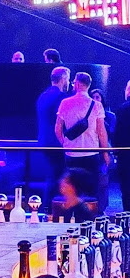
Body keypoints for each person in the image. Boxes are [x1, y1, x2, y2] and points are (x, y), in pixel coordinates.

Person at [55, 72, 110, 201]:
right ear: (88, 85)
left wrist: (65, 144)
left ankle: (73, 213)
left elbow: (57, 129)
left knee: (73, 191)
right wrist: (105, 153)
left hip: (71, 153)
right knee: (92, 191)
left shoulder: (65, 103)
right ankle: (91, 212)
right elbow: (101, 131)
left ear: (78, 84)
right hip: (91, 153)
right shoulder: (96, 105)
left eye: (74, 82)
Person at [37, 66, 71, 202]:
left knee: (53, 175)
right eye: (68, 79)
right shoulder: (61, 97)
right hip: (56, 142)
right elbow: (62, 121)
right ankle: (52, 207)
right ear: (63, 78)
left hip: (44, 141)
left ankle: (49, 207)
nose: (69, 82)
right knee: (57, 177)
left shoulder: (43, 95)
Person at [115, 80, 130, 210]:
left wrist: (115, 150)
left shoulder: (122, 109)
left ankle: (127, 215)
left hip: (125, 153)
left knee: (126, 187)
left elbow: (118, 132)